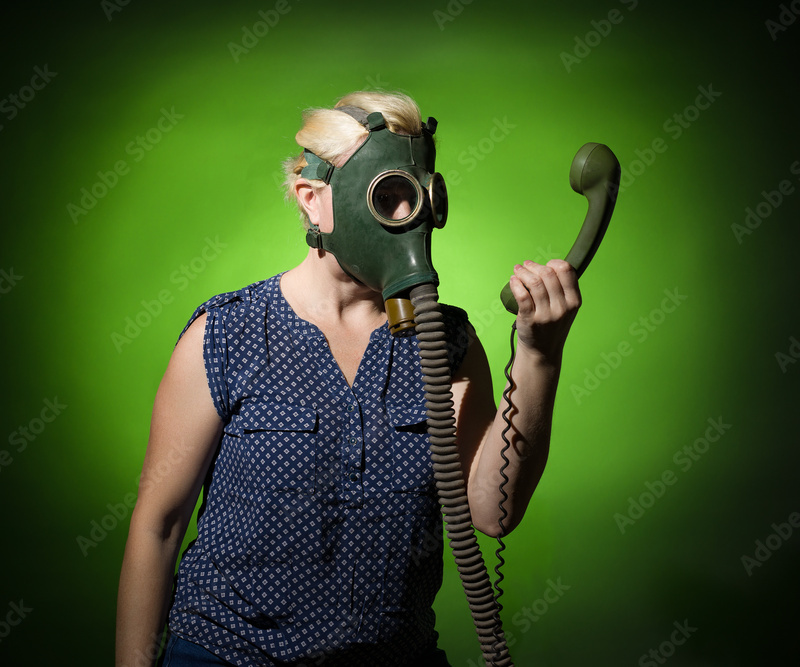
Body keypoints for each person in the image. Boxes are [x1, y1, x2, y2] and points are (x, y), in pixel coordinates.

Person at [116, 91, 581, 667]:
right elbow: (158, 526)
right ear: (313, 201)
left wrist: (539, 356)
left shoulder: (446, 344)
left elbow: (491, 512)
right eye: (386, 197)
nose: (408, 221)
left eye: (417, 197)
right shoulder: (227, 333)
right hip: (228, 654)